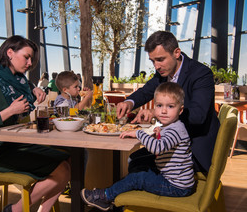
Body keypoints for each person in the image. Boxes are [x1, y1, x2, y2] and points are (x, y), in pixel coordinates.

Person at [0, 35, 70, 212]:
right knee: (61, 169)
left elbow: (27, 89)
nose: (30, 63)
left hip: (17, 144)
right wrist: (9, 111)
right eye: (27, 57)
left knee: (68, 159)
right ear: (9, 53)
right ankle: (15, 210)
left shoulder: (20, 82)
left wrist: (34, 89)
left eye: (31, 59)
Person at [116, 31, 219, 173]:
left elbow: (197, 116)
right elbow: (146, 91)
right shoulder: (163, 73)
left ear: (176, 53)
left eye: (160, 59)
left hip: (193, 151)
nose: (156, 66)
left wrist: (155, 112)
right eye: (153, 61)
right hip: (171, 142)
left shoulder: (201, 74)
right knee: (134, 158)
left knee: (135, 163)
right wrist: (129, 102)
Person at [81, 82, 194, 211]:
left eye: (170, 106)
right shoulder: (173, 127)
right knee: (137, 165)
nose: (163, 110)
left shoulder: (175, 130)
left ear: (180, 110)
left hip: (175, 187)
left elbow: (157, 148)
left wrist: (139, 133)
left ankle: (105, 196)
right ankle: (118, 196)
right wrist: (159, 133)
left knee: (137, 177)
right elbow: (166, 144)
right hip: (174, 181)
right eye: (159, 105)